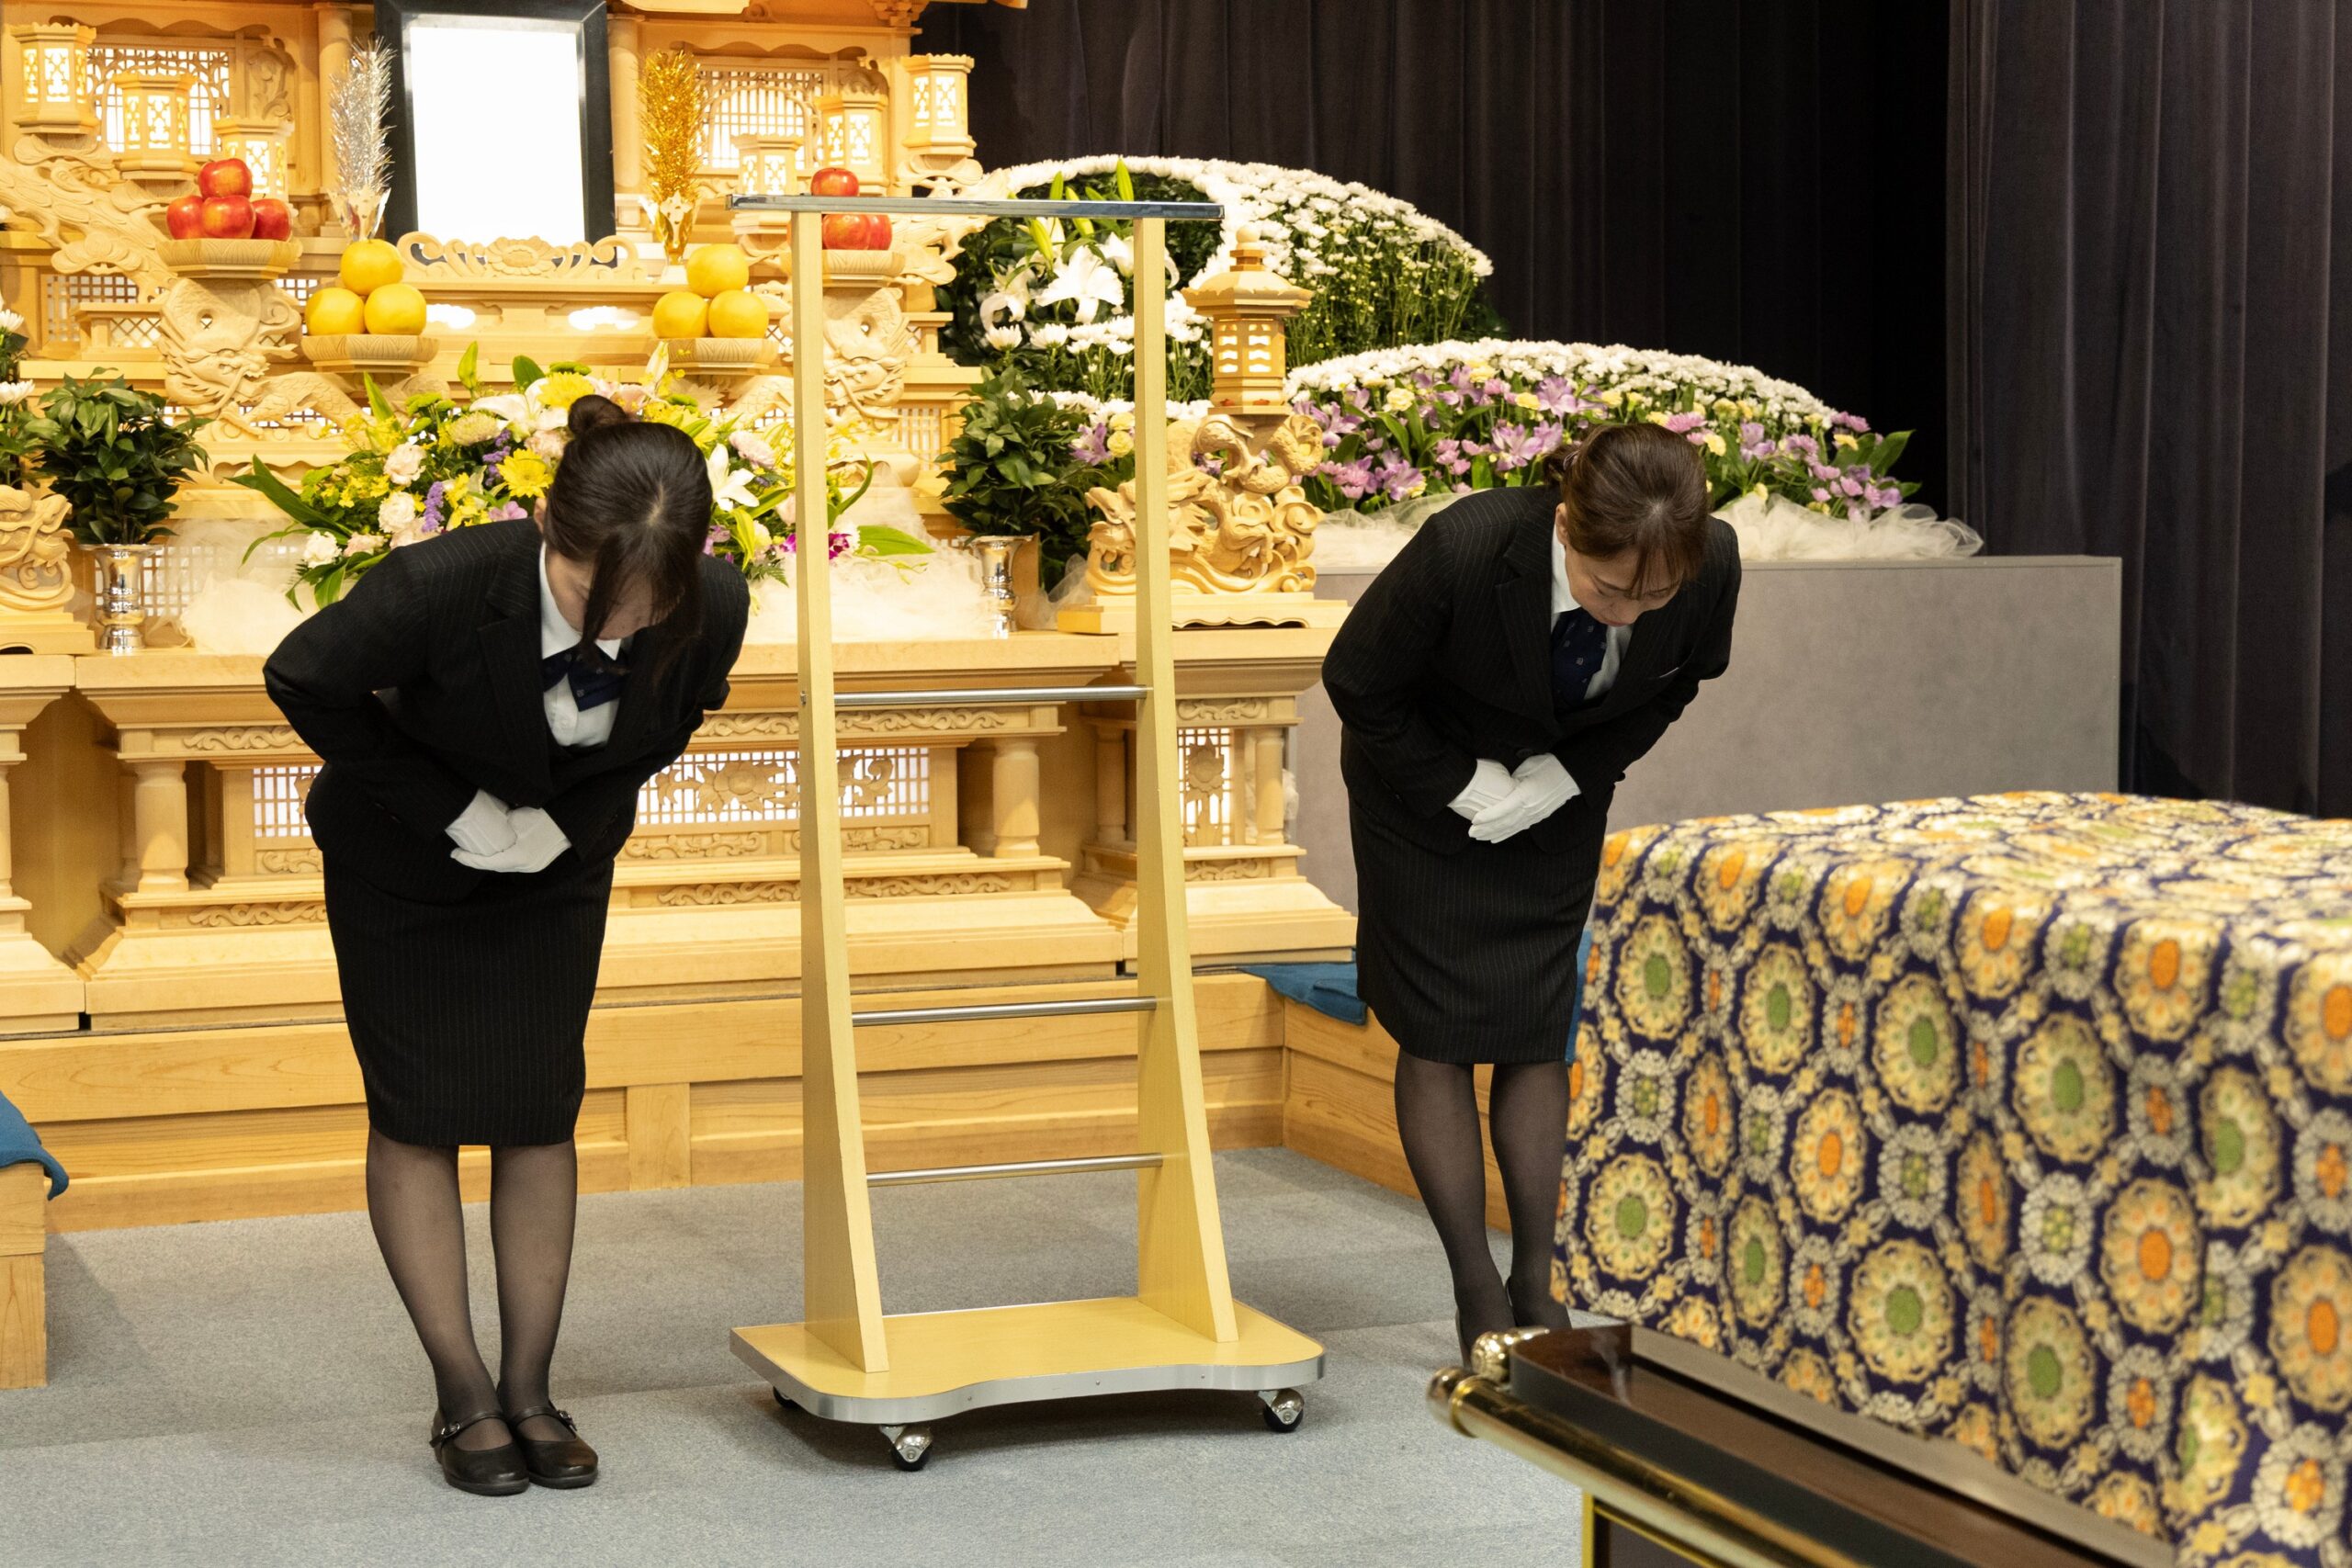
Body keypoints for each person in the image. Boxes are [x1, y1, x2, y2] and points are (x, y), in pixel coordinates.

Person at [265, 395, 749, 1495]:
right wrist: (452, 808)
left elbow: (682, 713)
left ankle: (530, 1390)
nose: (614, 631)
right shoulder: (438, 586)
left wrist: (569, 824)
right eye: (588, 599)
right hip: (402, 864)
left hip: (557, 871)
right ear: (544, 528)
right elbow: (302, 678)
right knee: (420, 1114)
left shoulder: (714, 601)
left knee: (538, 1108)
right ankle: (463, 1395)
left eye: (646, 609)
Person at [1322, 422, 1740, 1362]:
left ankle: (1538, 1281)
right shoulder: (1465, 548)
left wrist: (1571, 773)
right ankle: (1475, 1285)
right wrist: (1458, 783)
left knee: (1535, 1024)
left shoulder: (1711, 562)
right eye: (1607, 590)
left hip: (1556, 801)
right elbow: (1357, 683)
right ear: (1563, 528)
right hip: (1420, 799)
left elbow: (1676, 683)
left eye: (1654, 596)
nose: (1628, 615)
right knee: (1437, 1034)